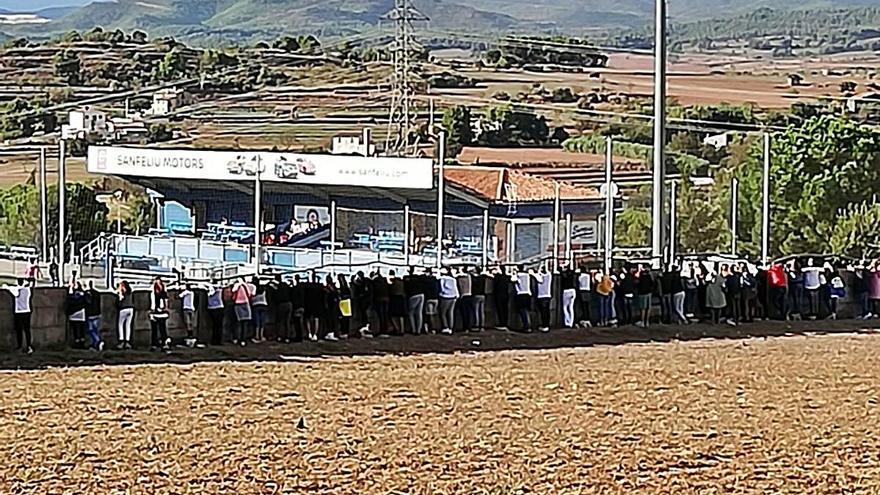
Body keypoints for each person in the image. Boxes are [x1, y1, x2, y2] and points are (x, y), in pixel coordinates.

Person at [5, 278, 33, 354]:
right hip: (27, 311)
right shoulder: (28, 290)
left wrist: (7, 286)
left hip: (19, 312)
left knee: (19, 330)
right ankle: (29, 346)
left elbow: (14, 292)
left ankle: (20, 346)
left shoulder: (17, 290)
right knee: (27, 330)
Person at [149, 277, 170, 351]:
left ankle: (163, 343)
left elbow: (166, 303)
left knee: (162, 329)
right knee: (155, 330)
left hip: (161, 313)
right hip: (156, 313)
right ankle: (155, 344)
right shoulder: (153, 293)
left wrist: (164, 309)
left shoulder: (162, 293)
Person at [231, 277, 253, 346]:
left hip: (237, 303)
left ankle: (237, 338)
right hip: (246, 303)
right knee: (245, 322)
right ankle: (243, 339)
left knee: (238, 322)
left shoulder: (236, 285)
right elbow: (250, 293)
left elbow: (233, 290)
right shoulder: (245, 285)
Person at [271, 274, 293, 343]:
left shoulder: (276, 287)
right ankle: (287, 337)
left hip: (281, 304)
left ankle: (279, 336)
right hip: (289, 303)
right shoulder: (286, 285)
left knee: (279, 321)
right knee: (287, 322)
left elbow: (274, 296)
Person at [67, 280, 88, 349]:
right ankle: (81, 343)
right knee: (81, 330)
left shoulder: (72, 295)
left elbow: (69, 302)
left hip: (73, 315)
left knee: (76, 330)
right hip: (81, 314)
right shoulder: (83, 294)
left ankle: (77, 342)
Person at [304, 272, 325, 341]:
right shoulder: (319, 286)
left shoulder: (307, 286)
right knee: (316, 319)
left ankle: (309, 333)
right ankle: (315, 334)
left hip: (309, 304)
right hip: (317, 304)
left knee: (308, 319)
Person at [404, 267, 425, 335]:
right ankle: (418, 330)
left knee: (411, 313)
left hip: (413, 295)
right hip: (421, 294)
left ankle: (413, 329)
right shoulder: (418, 278)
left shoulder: (406, 278)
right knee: (419, 313)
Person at [438, 267, 459, 335]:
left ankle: (445, 327)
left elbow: (442, 288)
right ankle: (451, 327)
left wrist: (441, 294)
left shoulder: (442, 278)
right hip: (453, 296)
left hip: (445, 297)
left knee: (443, 313)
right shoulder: (453, 279)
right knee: (450, 312)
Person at [85, 281, 105, 351]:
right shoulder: (97, 293)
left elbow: (87, 302)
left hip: (90, 314)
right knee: (96, 330)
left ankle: (98, 341)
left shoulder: (87, 293)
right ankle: (95, 345)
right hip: (97, 313)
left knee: (91, 330)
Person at [206, 279, 225, 346]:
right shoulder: (219, 289)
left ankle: (214, 340)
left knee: (214, 326)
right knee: (218, 326)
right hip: (219, 307)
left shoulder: (209, 290)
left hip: (211, 308)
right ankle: (218, 340)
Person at [117, 280, 135, 349]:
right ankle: (127, 341)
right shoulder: (130, 292)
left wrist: (119, 293)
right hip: (131, 309)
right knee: (128, 325)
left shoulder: (121, 292)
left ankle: (121, 341)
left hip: (123, 308)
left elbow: (119, 302)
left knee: (120, 325)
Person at [514, 265, 532, 332]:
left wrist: (514, 273)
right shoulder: (527, 275)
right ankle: (528, 325)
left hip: (521, 294)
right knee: (526, 310)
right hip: (528, 294)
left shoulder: (518, 275)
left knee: (522, 311)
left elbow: (513, 279)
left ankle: (526, 326)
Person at [534, 266, 552, 332]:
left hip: (542, 296)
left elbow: (540, 280)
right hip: (548, 295)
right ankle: (547, 325)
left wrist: (534, 273)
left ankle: (545, 325)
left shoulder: (542, 277)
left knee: (543, 312)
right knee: (547, 311)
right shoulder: (549, 275)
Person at [371, 271, 390, 336]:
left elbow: (373, 292)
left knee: (380, 316)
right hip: (386, 299)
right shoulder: (384, 280)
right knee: (385, 315)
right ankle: (385, 330)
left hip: (379, 299)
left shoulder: (374, 282)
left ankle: (382, 331)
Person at [492, 266, 511, 331]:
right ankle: (505, 323)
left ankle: (501, 323)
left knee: (500, 310)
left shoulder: (497, 277)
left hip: (498, 295)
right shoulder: (507, 277)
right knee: (505, 310)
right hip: (506, 295)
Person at [388, 270, 406, 335]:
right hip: (401, 298)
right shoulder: (401, 282)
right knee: (401, 315)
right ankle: (402, 330)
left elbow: (391, 290)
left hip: (394, 298)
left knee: (393, 315)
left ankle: (397, 329)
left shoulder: (392, 281)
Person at [251, 277, 268, 343]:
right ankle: (261, 335)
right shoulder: (263, 289)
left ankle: (257, 336)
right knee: (262, 321)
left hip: (255, 305)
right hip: (263, 304)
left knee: (257, 321)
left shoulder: (253, 289)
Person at [560, 263, 577, 329]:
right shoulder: (573, 274)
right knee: (571, 307)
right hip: (573, 290)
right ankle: (571, 322)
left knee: (565, 307)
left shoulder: (564, 275)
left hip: (566, 291)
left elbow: (561, 273)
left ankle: (567, 322)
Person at [423, 268, 440, 334]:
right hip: (435, 298)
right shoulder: (435, 280)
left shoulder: (426, 281)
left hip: (429, 298)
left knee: (430, 315)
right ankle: (435, 328)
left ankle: (432, 328)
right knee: (434, 314)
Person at [456, 268, 473, 332]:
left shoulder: (461, 279)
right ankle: (468, 326)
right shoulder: (469, 277)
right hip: (469, 295)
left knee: (464, 313)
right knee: (469, 312)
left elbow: (460, 286)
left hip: (463, 296)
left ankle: (465, 326)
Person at [323, 274, 340, 342]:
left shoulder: (327, 289)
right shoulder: (334, 288)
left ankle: (330, 333)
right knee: (333, 321)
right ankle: (332, 333)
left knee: (330, 321)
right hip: (334, 307)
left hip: (330, 307)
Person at [471, 267, 487, 332]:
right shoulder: (483, 278)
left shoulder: (474, 278)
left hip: (476, 295)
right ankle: (482, 325)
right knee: (482, 311)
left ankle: (476, 325)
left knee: (476, 311)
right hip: (482, 295)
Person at [337, 273, 353, 339]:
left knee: (344, 319)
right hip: (346, 303)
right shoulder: (346, 286)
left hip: (343, 303)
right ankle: (345, 332)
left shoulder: (342, 287)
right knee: (345, 319)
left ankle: (344, 332)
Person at [291, 274, 306, 341]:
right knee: (300, 322)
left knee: (297, 322)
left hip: (297, 306)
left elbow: (294, 297)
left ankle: (298, 336)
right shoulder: (302, 288)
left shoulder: (296, 288)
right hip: (302, 306)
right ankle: (300, 336)